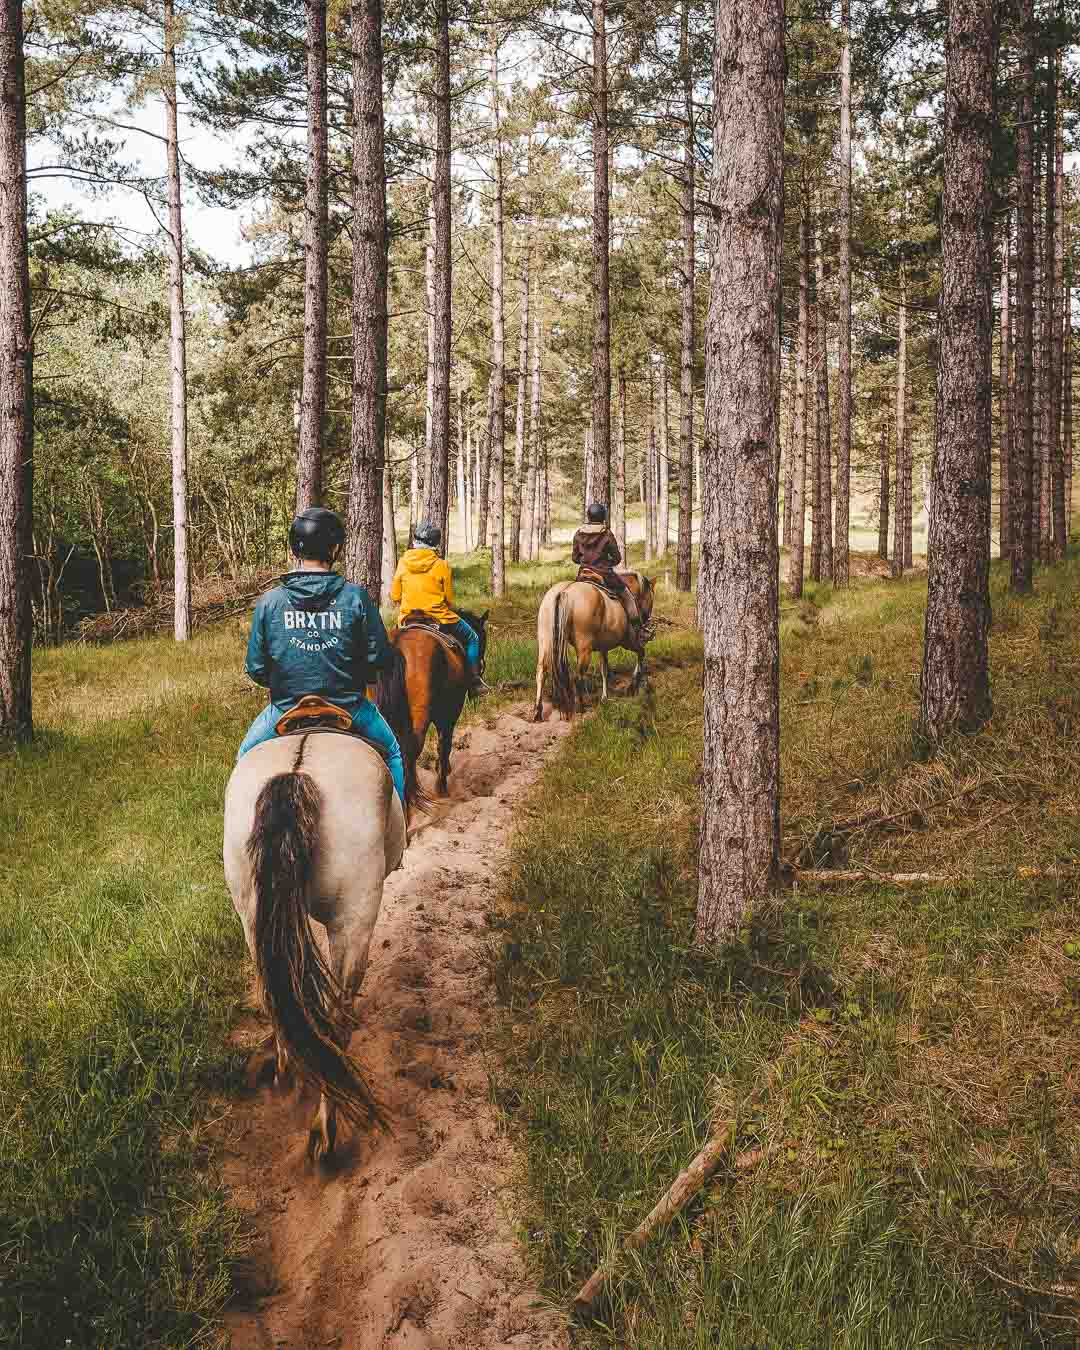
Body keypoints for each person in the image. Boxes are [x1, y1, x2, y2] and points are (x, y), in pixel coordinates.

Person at [238, 506, 407, 807]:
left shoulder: (270, 602)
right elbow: (380, 657)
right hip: (349, 708)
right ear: (335, 549)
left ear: (294, 548)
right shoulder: (355, 597)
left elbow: (256, 668)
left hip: (286, 709)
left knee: (243, 760)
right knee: (393, 752)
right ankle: (400, 826)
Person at [390, 522, 485, 691]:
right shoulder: (442, 565)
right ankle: (474, 681)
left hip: (407, 619)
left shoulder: (403, 563)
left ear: (415, 540)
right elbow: (448, 600)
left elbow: (395, 596)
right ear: (435, 543)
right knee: (472, 638)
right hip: (439, 618)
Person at [571, 502, 642, 648]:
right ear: (603, 516)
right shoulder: (607, 534)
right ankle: (636, 627)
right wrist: (605, 562)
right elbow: (617, 559)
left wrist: (585, 561)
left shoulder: (579, 533)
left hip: (583, 574)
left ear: (589, 516)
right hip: (603, 574)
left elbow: (575, 558)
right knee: (626, 594)